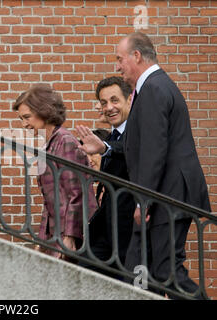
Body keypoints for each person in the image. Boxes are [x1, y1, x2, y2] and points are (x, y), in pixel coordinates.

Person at [79, 32, 211, 298]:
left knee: (166, 272)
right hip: (169, 195)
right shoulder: (155, 87)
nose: (117, 66)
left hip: (168, 196)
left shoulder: (152, 88)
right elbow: (137, 147)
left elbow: (153, 152)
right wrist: (105, 148)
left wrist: (143, 201)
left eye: (120, 59)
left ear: (136, 56)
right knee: (145, 270)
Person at [13, 83, 97, 262]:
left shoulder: (65, 141)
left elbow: (78, 193)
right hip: (56, 232)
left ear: (44, 111)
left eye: (27, 117)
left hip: (71, 233)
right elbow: (49, 201)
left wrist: (70, 235)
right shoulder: (49, 144)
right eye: (21, 119)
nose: (24, 124)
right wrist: (42, 240)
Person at [77, 76, 135, 280]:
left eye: (115, 100)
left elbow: (131, 149)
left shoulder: (140, 132)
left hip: (132, 232)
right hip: (107, 230)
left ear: (130, 100)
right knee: (82, 273)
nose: (109, 107)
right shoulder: (114, 135)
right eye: (104, 103)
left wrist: (105, 147)